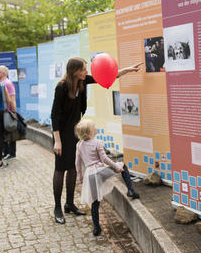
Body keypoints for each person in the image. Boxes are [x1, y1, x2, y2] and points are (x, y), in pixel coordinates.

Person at [51, 56, 142, 224]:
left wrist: (128, 69)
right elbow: (55, 115)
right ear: (74, 71)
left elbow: (107, 77)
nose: (87, 72)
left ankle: (69, 204)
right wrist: (57, 141)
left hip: (75, 131)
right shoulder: (62, 87)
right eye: (84, 69)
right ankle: (57, 207)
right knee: (60, 169)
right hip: (62, 133)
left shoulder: (82, 82)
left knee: (72, 168)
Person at [75, 119, 139, 236]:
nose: (96, 127)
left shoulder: (79, 145)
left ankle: (96, 228)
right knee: (123, 165)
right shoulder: (97, 142)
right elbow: (104, 159)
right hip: (100, 171)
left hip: (90, 175)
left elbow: (77, 163)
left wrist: (80, 177)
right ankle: (130, 190)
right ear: (90, 132)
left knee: (95, 201)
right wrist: (116, 166)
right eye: (94, 126)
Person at [0, 65, 17, 161]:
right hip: (3, 112)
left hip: (8, 112)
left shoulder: (8, 83)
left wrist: (14, 111)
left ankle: (11, 153)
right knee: (4, 132)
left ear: (3, 73)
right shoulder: (0, 83)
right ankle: (6, 152)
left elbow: (12, 99)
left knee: (10, 131)